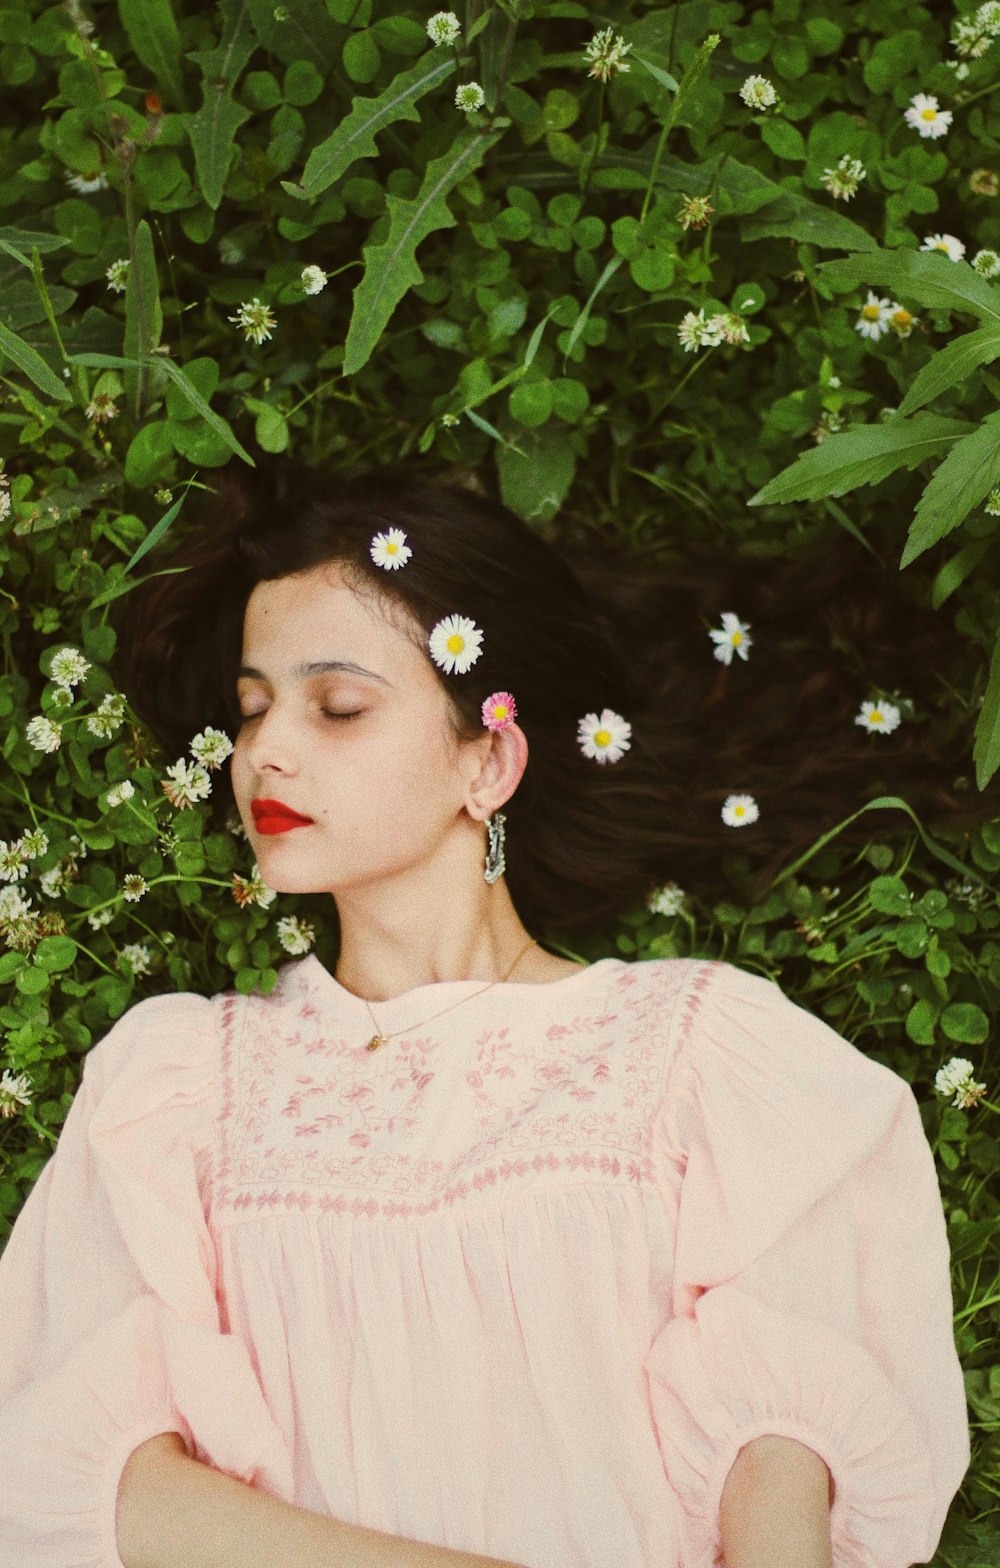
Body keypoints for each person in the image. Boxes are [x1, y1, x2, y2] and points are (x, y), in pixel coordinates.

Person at [0, 456, 976, 1568]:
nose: (263, 749)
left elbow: (785, 1444)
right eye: (253, 707)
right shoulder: (181, 1085)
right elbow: (101, 1477)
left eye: (339, 705)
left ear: (490, 757)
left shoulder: (700, 1049)